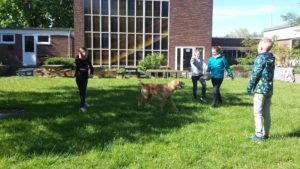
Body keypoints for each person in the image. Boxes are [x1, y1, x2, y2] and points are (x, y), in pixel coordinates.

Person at [247, 38, 275, 141]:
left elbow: (255, 75)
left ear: (262, 46)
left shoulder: (260, 58)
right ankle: (266, 134)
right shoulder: (271, 58)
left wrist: (249, 87)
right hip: (269, 89)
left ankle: (258, 135)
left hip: (260, 90)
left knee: (257, 113)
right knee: (266, 113)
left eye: (258, 45)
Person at [75, 47, 94, 112]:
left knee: (83, 91)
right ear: (80, 52)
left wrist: (91, 73)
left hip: (85, 77)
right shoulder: (77, 59)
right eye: (84, 52)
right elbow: (79, 65)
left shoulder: (87, 59)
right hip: (78, 77)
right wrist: (80, 57)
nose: (86, 53)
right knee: (81, 91)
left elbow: (91, 67)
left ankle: (82, 106)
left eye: (87, 52)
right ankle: (84, 102)